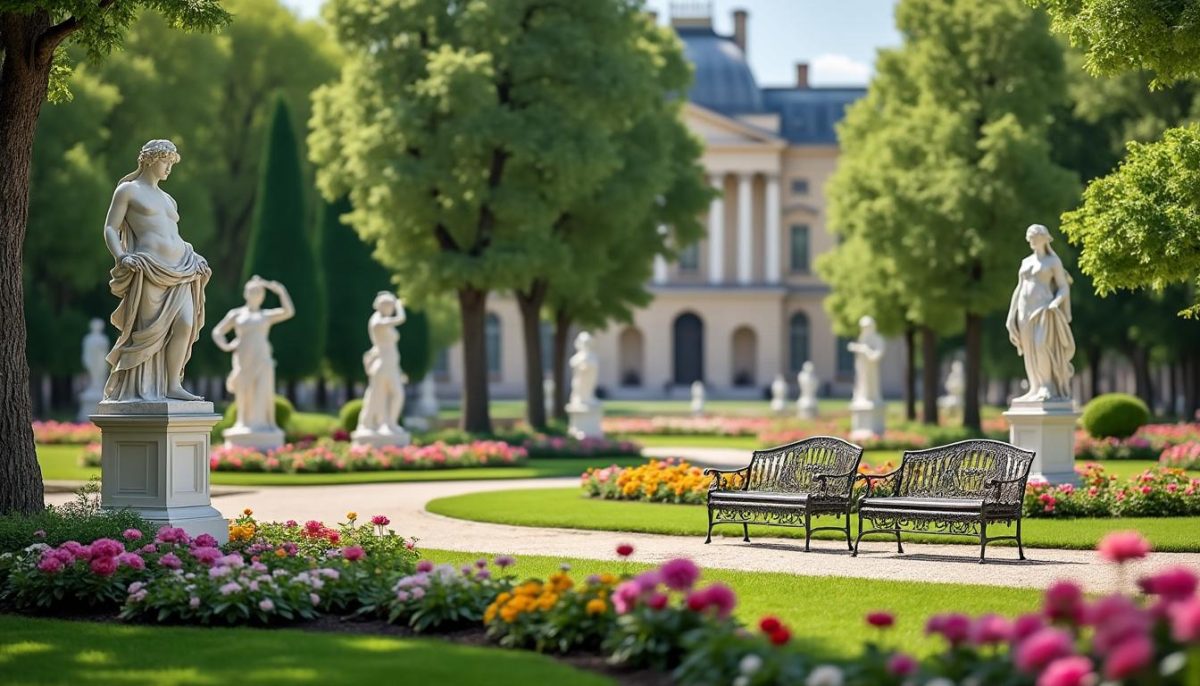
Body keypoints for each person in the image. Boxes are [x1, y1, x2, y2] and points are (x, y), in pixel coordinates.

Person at [101, 139, 210, 401]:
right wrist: (122, 256)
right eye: (165, 161)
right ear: (150, 160)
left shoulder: (168, 199)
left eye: (171, 163)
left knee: (185, 323)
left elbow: (173, 234)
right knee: (149, 333)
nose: (169, 169)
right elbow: (109, 228)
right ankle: (139, 389)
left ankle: (173, 384)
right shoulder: (128, 190)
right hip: (150, 268)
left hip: (182, 268)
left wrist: (194, 256)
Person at [211, 276, 295, 431]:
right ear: (246, 294)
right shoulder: (236, 314)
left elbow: (288, 312)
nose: (255, 295)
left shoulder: (266, 315)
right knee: (243, 389)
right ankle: (242, 421)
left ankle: (261, 423)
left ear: (262, 296)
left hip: (262, 357)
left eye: (258, 292)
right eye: (252, 292)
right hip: (243, 357)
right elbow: (217, 331)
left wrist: (280, 291)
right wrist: (226, 346)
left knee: (263, 390)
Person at [1006, 224, 1075, 402]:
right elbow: (1019, 289)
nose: (1032, 240)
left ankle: (1047, 387)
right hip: (1024, 311)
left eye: (1035, 237)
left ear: (1045, 238)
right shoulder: (1026, 262)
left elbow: (1063, 287)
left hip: (1043, 310)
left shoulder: (1053, 262)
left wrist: (1055, 303)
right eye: (1030, 237)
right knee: (1029, 351)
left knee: (1041, 345)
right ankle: (1035, 387)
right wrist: (1010, 315)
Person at [356, 291, 408, 435]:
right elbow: (401, 319)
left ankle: (388, 423)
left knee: (386, 395)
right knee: (385, 396)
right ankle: (385, 423)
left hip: (390, 363)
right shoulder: (378, 321)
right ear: (383, 306)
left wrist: (399, 369)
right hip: (384, 364)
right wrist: (399, 305)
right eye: (390, 306)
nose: (392, 309)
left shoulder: (382, 320)